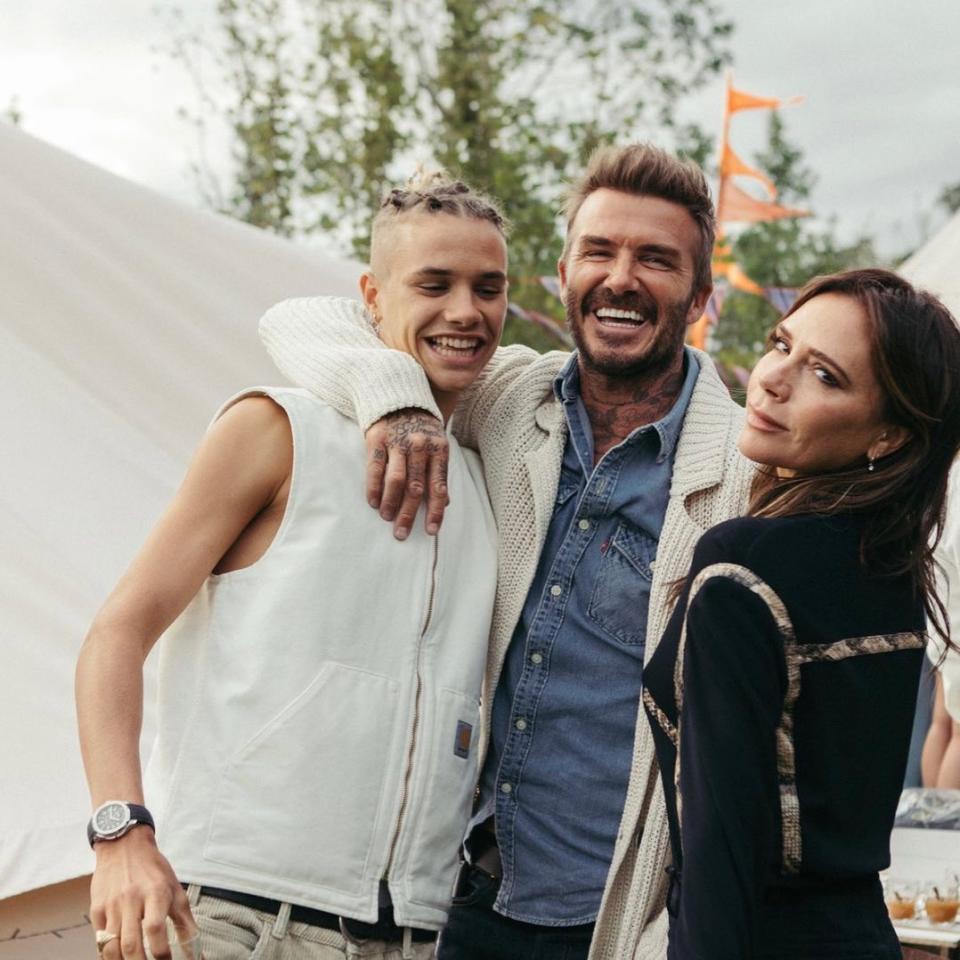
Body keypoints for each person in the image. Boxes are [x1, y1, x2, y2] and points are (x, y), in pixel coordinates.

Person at [258, 143, 756, 959]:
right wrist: (393, 397)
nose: (621, 278)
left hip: (618, 920)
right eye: (599, 251)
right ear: (564, 274)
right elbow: (299, 320)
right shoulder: (509, 393)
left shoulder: (744, 467)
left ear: (701, 294)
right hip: (461, 901)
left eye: (656, 260)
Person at [75, 174, 508, 960]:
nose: (465, 312)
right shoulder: (278, 428)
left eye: (488, 287)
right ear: (372, 297)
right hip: (233, 919)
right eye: (434, 284)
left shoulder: (488, 483)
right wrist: (120, 833)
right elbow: (117, 632)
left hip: (414, 932)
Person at [641, 269, 960, 959]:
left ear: (890, 438)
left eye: (825, 374)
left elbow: (720, 855)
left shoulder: (745, 563)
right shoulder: (895, 570)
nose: (774, 379)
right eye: (780, 344)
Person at [921, 463, 960, 788]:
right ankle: (949, 832)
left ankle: (932, 819)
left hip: (944, 616)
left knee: (943, 723)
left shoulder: (948, 467)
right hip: (956, 620)